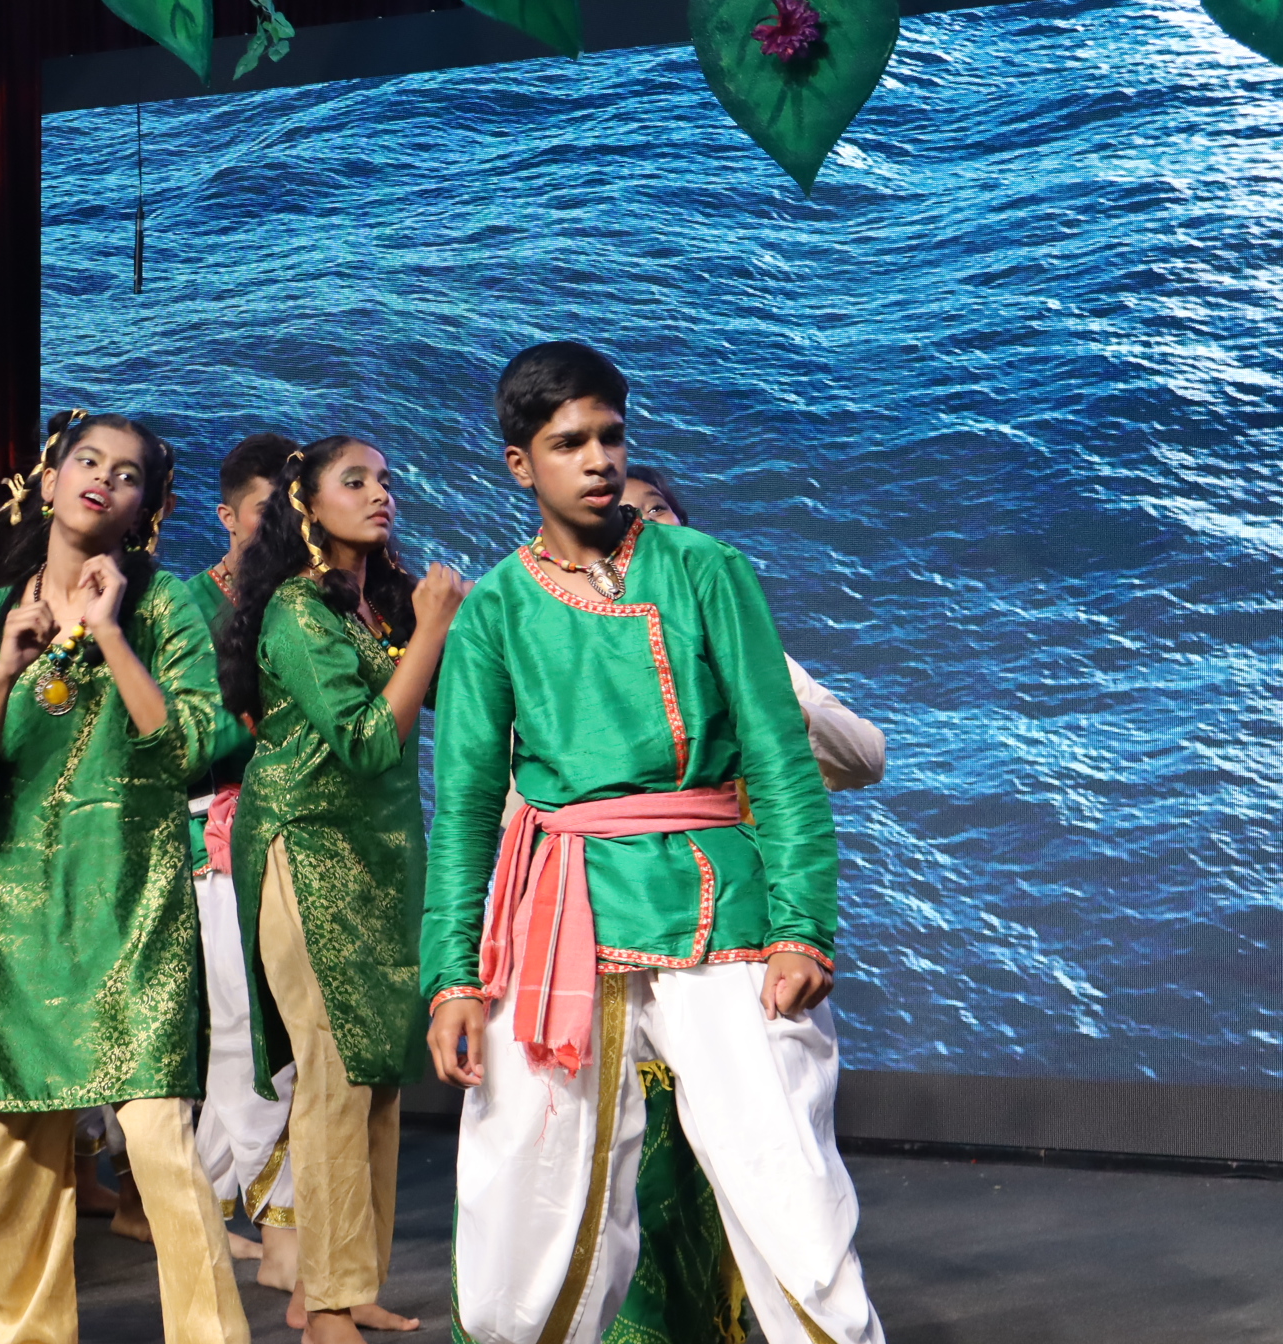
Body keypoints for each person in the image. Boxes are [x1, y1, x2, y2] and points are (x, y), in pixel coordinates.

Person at [425, 342, 883, 1344]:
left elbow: (781, 760)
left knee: (791, 1197)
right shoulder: (496, 608)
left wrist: (804, 928)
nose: (598, 459)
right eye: (569, 443)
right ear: (519, 464)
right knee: (521, 1210)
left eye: (611, 436)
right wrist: (451, 976)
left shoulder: (706, 571)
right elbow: (463, 808)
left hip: (718, 906)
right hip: (556, 918)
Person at [0, 409, 249, 1344]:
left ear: (145, 505)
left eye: (129, 473)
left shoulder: (163, 605)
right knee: (7, 1160)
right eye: (88, 461)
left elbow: (191, 748)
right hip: (19, 917)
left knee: (162, 1146)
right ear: (51, 478)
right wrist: (0, 676)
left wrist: (107, 634)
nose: (104, 479)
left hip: (133, 904)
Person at [220, 436, 463, 1344]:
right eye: (354, 482)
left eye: (386, 481)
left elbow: (442, 701)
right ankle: (320, 1305)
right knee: (331, 1074)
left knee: (375, 1076)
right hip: (308, 851)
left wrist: (439, 629)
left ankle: (349, 1284)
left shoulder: (370, 606)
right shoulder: (296, 609)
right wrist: (431, 629)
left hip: (380, 856)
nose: (380, 494)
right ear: (307, 505)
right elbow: (366, 741)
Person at [183, 432, 304, 1279]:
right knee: (246, 1033)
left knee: (270, 1034)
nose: (284, 527)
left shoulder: (306, 603)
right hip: (216, 840)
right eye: (268, 512)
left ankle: (197, 1208)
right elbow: (181, 742)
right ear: (226, 517)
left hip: (294, 837)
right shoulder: (189, 607)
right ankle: (280, 1226)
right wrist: (276, 726)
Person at [622, 465, 885, 791]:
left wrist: (786, 714)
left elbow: (868, 759)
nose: (647, 523)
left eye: (657, 508)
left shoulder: (734, 641)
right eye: (625, 516)